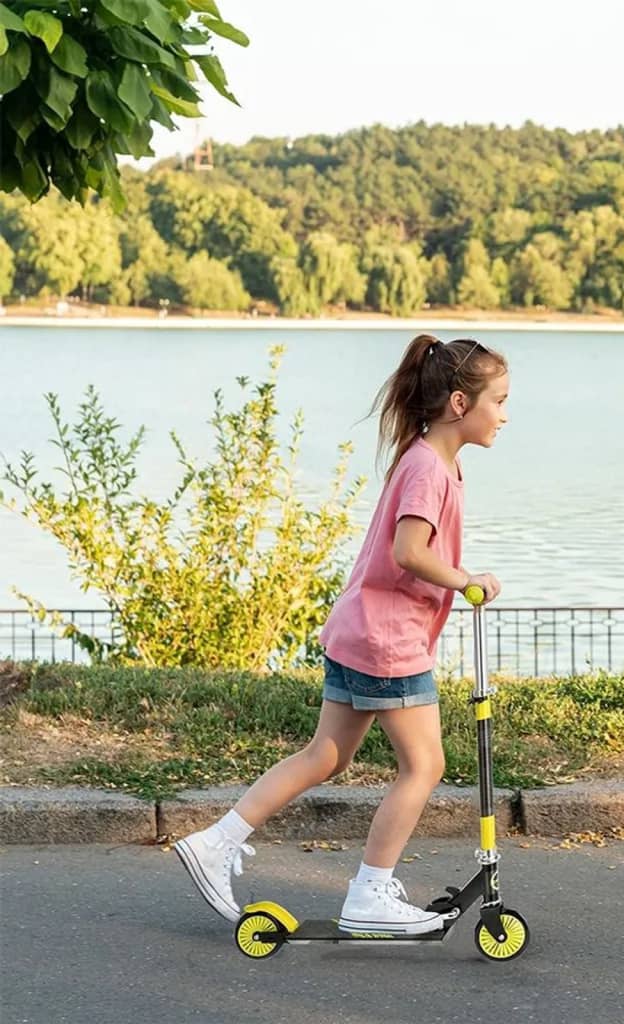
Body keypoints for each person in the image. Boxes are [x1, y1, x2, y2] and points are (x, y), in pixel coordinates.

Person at [175, 334, 510, 934]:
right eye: (499, 401)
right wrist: (466, 581)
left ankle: (216, 841)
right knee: (424, 766)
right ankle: (370, 894)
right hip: (388, 641)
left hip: (363, 630)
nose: (505, 416)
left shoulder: (429, 459)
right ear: (460, 403)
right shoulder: (428, 468)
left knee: (325, 755)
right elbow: (409, 551)